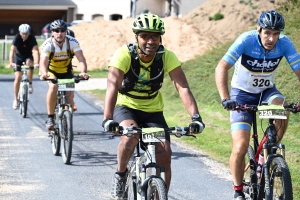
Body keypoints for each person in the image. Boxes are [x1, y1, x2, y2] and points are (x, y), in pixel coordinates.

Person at [102, 13, 205, 200]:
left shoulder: (167, 57)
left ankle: (160, 196)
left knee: (165, 154)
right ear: (136, 37)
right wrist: (108, 118)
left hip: (153, 111)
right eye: (145, 36)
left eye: (155, 36)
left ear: (160, 38)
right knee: (129, 138)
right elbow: (112, 85)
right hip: (126, 106)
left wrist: (196, 118)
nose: (150, 41)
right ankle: (121, 174)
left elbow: (182, 88)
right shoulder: (124, 54)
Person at [215, 10, 300, 200]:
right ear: (258, 30)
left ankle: (265, 158)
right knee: (240, 146)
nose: (271, 38)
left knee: (282, 108)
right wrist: (225, 98)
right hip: (241, 95)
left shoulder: (284, 43)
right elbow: (222, 67)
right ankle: (238, 190)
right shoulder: (246, 40)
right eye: (267, 33)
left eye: (275, 34)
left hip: (266, 92)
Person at [39, 19, 89, 131]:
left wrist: (83, 72)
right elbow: (43, 62)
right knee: (53, 86)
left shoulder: (72, 42)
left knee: (70, 98)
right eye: (56, 30)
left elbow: (81, 59)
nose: (59, 33)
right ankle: (50, 118)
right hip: (51, 72)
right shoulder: (48, 44)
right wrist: (44, 73)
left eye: (62, 30)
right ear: (52, 32)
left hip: (67, 72)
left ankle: (67, 120)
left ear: (66, 32)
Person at [9, 23, 40, 109]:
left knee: (30, 63)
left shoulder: (32, 38)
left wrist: (37, 63)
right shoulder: (17, 38)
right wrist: (11, 62)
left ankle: (30, 83)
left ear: (29, 33)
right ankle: (15, 100)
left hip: (28, 56)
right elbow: (12, 51)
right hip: (18, 58)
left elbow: (36, 50)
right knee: (18, 77)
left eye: (26, 33)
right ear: (20, 33)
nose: (25, 35)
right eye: (23, 33)